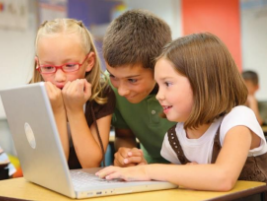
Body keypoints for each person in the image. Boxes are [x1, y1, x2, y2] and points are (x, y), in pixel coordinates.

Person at [96, 33, 267, 192]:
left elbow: (223, 178)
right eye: (159, 85)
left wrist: (147, 170)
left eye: (168, 84)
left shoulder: (238, 119)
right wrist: (141, 166)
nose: (160, 96)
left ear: (203, 83)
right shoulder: (176, 137)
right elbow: (179, 180)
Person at [30, 18, 115, 169]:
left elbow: (91, 163)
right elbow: (54, 166)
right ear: (38, 65)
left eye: (69, 66)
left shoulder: (102, 93)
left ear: (89, 62)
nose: (59, 77)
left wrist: (75, 110)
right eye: (48, 68)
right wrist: (57, 110)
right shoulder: (32, 95)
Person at [103, 9, 175, 167]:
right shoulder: (110, 87)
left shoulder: (187, 88)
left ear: (159, 66)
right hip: (148, 171)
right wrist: (127, 156)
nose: (121, 91)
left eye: (132, 80)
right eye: (113, 76)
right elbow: (124, 134)